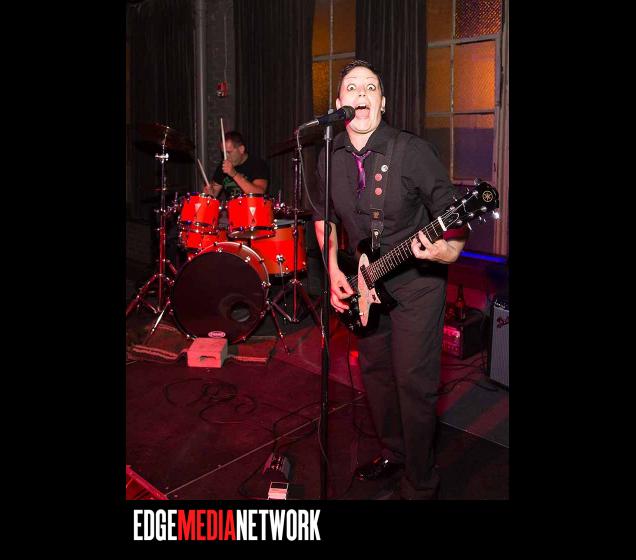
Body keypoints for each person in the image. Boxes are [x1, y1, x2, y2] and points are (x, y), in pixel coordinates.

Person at [312, 60, 469, 500]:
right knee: (377, 376)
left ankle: (420, 482)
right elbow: (323, 219)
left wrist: (447, 251)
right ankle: (394, 452)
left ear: (382, 103)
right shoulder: (328, 156)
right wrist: (334, 269)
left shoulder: (411, 151)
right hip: (367, 281)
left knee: (413, 383)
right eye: (352, 87)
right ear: (339, 103)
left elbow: (455, 216)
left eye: (371, 87)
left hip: (417, 281)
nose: (361, 94)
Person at [203, 131, 269, 200]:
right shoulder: (223, 165)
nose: (226, 157)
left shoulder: (258, 164)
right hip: (231, 206)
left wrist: (234, 174)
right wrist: (209, 193)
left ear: (241, 149)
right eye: (223, 153)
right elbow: (214, 193)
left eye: (229, 152)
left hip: (252, 206)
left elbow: (259, 194)